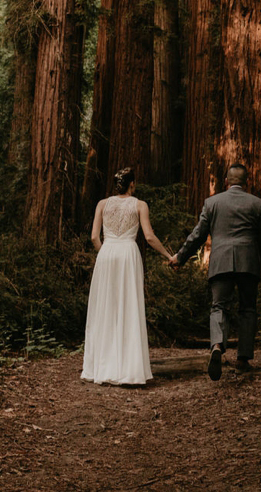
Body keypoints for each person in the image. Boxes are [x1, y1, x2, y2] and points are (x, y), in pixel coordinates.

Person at [173, 160, 261, 380]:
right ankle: (243, 359)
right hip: (248, 264)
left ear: (226, 181)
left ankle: (217, 345)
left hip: (220, 262)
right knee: (248, 308)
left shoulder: (212, 203)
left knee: (218, 306)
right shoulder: (257, 204)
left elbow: (198, 235)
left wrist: (180, 257)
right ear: (246, 182)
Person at [82, 165, 176, 386]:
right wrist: (168, 255)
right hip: (127, 255)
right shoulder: (140, 205)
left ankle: (101, 367)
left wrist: (106, 253)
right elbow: (150, 237)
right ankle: (128, 368)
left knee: (106, 307)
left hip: (106, 254)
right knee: (128, 305)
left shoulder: (102, 204)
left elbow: (95, 237)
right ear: (132, 184)